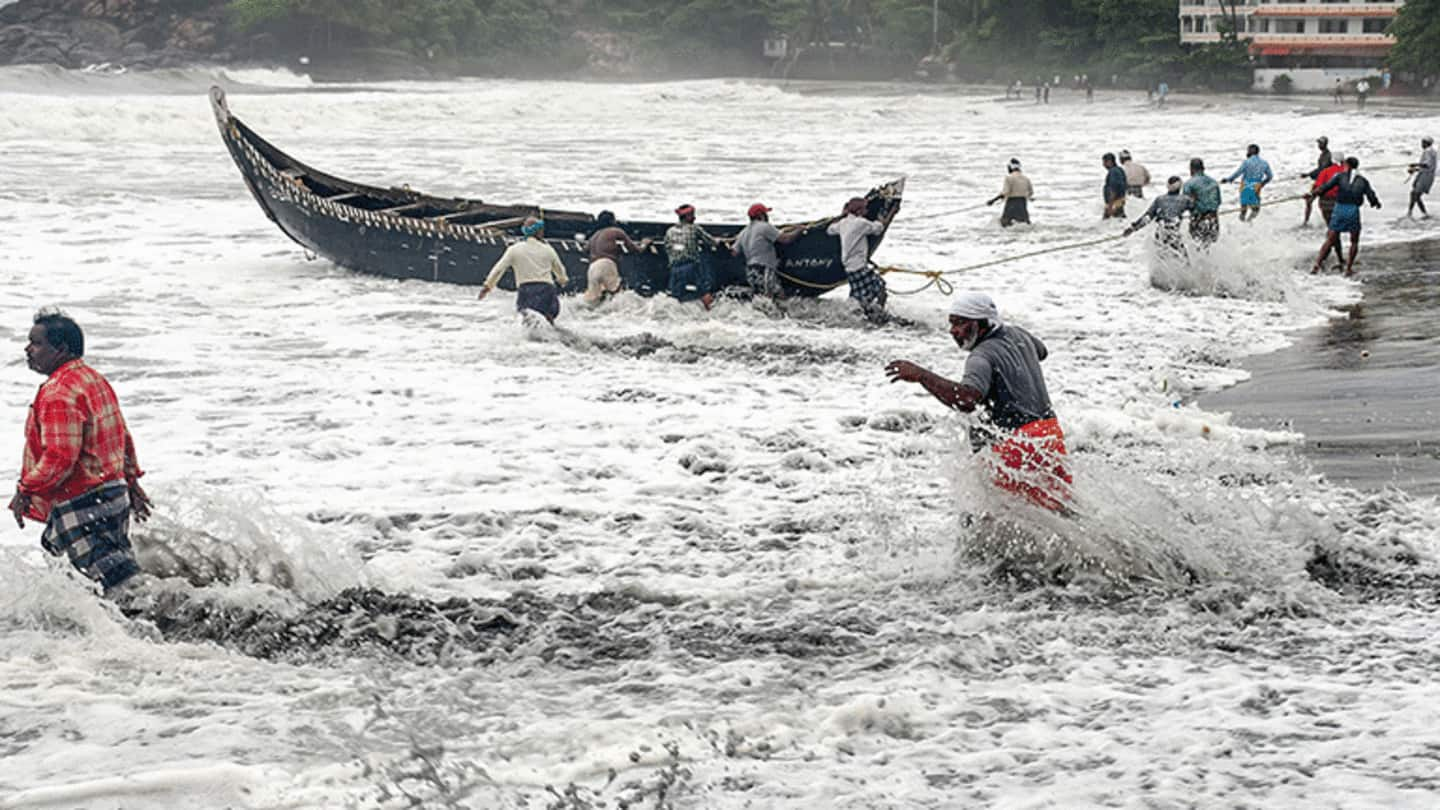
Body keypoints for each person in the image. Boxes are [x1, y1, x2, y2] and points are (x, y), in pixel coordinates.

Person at [884, 293, 1071, 513]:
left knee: (995, 518)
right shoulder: (1020, 334)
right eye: (952, 323)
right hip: (1050, 436)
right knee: (1059, 512)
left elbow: (967, 399)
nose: (953, 330)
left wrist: (921, 375)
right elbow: (1042, 351)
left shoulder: (980, 357)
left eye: (961, 323)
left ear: (982, 325)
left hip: (1017, 447)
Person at [10, 310, 151, 595]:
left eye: (36, 343)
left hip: (82, 501)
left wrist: (25, 489)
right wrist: (131, 481)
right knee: (114, 574)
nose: (27, 349)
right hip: (112, 495)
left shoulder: (58, 393)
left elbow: (60, 457)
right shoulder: (92, 380)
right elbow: (121, 435)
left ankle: (155, 630)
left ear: (61, 349)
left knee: (113, 589)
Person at [478, 216, 569, 323]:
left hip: (527, 291)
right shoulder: (548, 249)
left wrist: (488, 286)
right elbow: (560, 270)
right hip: (547, 290)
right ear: (539, 232)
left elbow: (498, 269)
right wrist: (563, 281)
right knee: (548, 320)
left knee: (528, 322)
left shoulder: (514, 249)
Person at [1306, 157, 1381, 276]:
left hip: (1339, 209)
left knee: (1330, 239)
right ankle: (1349, 269)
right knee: (1354, 241)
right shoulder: (1363, 181)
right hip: (1353, 211)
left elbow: (1325, 187)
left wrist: (1312, 194)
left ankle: (1317, 266)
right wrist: (1376, 203)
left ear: (1347, 165)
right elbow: (1371, 196)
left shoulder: (1340, 176)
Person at [827, 196, 891, 322]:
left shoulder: (843, 223)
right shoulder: (861, 223)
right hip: (859, 266)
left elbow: (829, 230)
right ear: (859, 211)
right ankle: (878, 315)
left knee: (860, 297)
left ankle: (863, 314)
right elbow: (878, 228)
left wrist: (842, 215)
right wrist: (889, 213)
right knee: (881, 288)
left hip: (849, 268)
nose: (867, 211)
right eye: (865, 209)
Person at [732, 203, 802, 301]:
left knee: (766, 297)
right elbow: (785, 239)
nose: (768, 216)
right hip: (763, 269)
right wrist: (799, 230)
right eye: (766, 213)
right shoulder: (765, 227)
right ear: (761, 215)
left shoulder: (743, 233)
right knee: (772, 298)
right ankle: (782, 316)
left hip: (750, 271)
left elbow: (734, 252)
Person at [583, 211, 649, 305]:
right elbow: (635, 249)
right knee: (617, 294)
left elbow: (585, 250)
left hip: (592, 268)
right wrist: (644, 244)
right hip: (606, 265)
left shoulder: (594, 235)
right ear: (613, 221)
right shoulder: (615, 231)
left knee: (594, 301)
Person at [1122, 176, 1192, 261]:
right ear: (1180, 187)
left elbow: (1147, 217)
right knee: (1184, 260)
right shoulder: (1185, 199)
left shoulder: (1160, 199)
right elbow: (1195, 212)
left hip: (1161, 233)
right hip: (1174, 233)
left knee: (1161, 259)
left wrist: (1133, 228)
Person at [664, 204, 719, 309]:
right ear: (687, 217)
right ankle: (712, 313)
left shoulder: (669, 231)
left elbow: (667, 248)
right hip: (691, 267)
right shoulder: (694, 228)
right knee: (705, 292)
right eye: (693, 215)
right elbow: (712, 242)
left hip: (675, 269)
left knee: (674, 299)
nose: (695, 217)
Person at [1309, 152, 1346, 266]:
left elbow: (1318, 187)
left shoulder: (1325, 172)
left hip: (1325, 204)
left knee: (1333, 230)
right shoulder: (1346, 172)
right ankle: (1330, 259)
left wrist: (1311, 197)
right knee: (1335, 232)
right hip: (1340, 203)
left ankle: (1326, 258)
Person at [1223, 144, 1274, 222]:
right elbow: (1270, 176)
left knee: (1243, 210)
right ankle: (1249, 221)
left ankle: (1242, 225)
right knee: (1256, 210)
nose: (1247, 152)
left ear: (1251, 151)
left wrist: (1228, 179)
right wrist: (1262, 184)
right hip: (1256, 187)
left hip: (1245, 187)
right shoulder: (1264, 163)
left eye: (1248, 150)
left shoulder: (1246, 162)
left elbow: (1237, 173)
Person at [1182, 157, 1221, 248]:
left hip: (1198, 219)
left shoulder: (1189, 184)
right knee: (1211, 246)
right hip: (1213, 218)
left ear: (1191, 169)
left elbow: (1186, 203)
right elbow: (1218, 202)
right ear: (1203, 168)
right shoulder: (1214, 182)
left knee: (1198, 246)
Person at [987, 158, 1033, 227]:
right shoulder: (1026, 179)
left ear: (1011, 167)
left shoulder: (1009, 178)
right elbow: (1030, 192)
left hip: (1012, 204)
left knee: (1004, 224)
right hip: (1022, 204)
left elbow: (1005, 192)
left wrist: (993, 200)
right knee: (1024, 224)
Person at [1300, 136, 1333, 226]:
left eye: (1320, 143)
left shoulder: (1327, 156)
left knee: (1311, 200)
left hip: (1324, 182)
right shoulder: (1323, 155)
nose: (1319, 145)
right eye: (1318, 143)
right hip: (1320, 181)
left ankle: (1306, 222)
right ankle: (1306, 222)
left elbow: (1322, 169)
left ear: (1325, 144)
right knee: (1309, 201)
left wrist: (1308, 174)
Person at [1407, 136, 1436, 219]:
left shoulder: (1428, 151)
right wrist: (1415, 169)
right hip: (1426, 176)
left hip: (1425, 177)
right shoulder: (1432, 151)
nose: (1421, 144)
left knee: (1414, 194)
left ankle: (1411, 213)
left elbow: (1427, 165)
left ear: (1426, 143)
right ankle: (1423, 214)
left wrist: (1415, 165)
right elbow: (1427, 166)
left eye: (1423, 143)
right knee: (1415, 195)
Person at [1101, 153, 1127, 220]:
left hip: (1114, 203)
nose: (1103, 165)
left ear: (1109, 161)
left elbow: (1113, 189)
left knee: (1107, 222)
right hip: (1119, 202)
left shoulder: (1113, 172)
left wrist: (1110, 206)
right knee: (1120, 220)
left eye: (1104, 162)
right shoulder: (1119, 170)